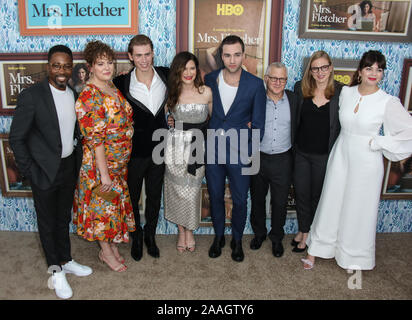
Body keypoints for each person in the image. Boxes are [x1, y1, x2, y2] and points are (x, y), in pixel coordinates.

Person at [302, 50, 412, 270]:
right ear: (360, 71)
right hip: (341, 154)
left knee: (359, 208)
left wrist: (379, 142)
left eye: (379, 69)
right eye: (369, 68)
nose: (374, 73)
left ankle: (353, 257)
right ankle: (317, 249)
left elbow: (408, 134)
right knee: (331, 202)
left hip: (367, 161)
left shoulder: (387, 101)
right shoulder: (346, 93)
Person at [9, 45, 92, 299]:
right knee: (46, 223)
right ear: (48, 66)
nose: (62, 71)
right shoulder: (32, 95)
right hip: (43, 171)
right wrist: (30, 171)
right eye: (56, 65)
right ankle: (56, 271)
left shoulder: (72, 94)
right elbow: (16, 138)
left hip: (68, 167)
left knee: (62, 217)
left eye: (66, 66)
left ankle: (65, 259)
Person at [73, 40, 135, 273]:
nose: (107, 67)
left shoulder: (110, 86)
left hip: (118, 164)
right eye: (101, 63)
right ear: (90, 66)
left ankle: (110, 246)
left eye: (110, 62)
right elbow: (96, 140)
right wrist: (105, 175)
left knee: (110, 208)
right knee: (101, 210)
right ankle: (106, 252)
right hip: (100, 167)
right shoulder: (89, 96)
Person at [204, 35, 266, 262]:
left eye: (237, 54)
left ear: (244, 56)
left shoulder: (256, 84)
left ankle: (237, 239)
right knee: (216, 196)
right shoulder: (210, 79)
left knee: (240, 200)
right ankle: (219, 236)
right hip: (213, 150)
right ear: (221, 56)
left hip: (241, 153)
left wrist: (248, 152)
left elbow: (258, 124)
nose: (232, 59)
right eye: (227, 54)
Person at [113, 35, 169, 261]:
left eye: (147, 54)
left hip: (160, 149)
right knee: (133, 196)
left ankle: (150, 236)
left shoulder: (166, 75)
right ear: (130, 57)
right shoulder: (121, 83)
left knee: (155, 195)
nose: (144, 60)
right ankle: (135, 236)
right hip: (133, 152)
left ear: (153, 53)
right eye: (138, 55)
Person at [292, 51, 342, 253]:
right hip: (302, 153)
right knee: (302, 194)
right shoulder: (300, 88)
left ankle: (311, 233)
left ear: (330, 67)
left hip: (324, 156)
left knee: (318, 197)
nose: (320, 72)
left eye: (324, 67)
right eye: (315, 68)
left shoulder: (341, 92)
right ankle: (303, 230)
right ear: (310, 71)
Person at [163, 51, 212, 252]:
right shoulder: (172, 93)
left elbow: (214, 121)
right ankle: (181, 231)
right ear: (178, 71)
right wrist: (169, 121)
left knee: (191, 191)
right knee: (176, 190)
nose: (189, 72)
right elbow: (165, 119)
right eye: (184, 69)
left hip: (197, 147)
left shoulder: (206, 92)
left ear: (197, 70)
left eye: (192, 68)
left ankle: (190, 231)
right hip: (175, 147)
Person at [249, 62, 298, 258]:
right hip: (257, 156)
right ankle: (259, 234)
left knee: (279, 202)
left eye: (282, 79)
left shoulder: (295, 100)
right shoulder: (256, 100)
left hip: (283, 158)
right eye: (274, 78)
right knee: (257, 199)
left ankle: (276, 237)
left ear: (286, 80)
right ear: (266, 79)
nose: (278, 82)